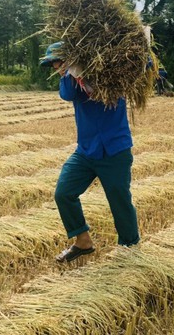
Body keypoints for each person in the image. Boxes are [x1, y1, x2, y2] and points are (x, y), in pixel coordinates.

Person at [40, 42, 140, 263]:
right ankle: (82, 241)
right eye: (55, 65)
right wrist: (71, 73)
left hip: (115, 149)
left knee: (120, 201)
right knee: (64, 193)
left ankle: (129, 248)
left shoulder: (111, 74)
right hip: (86, 151)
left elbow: (138, 67)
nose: (57, 67)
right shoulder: (73, 82)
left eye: (59, 62)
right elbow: (66, 95)